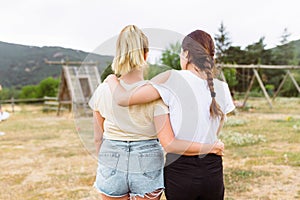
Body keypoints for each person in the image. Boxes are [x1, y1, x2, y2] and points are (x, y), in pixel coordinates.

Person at [89, 25, 224, 200]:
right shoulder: (156, 93)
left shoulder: (103, 90)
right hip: (148, 162)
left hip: (111, 158)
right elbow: (166, 138)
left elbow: (97, 137)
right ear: (145, 55)